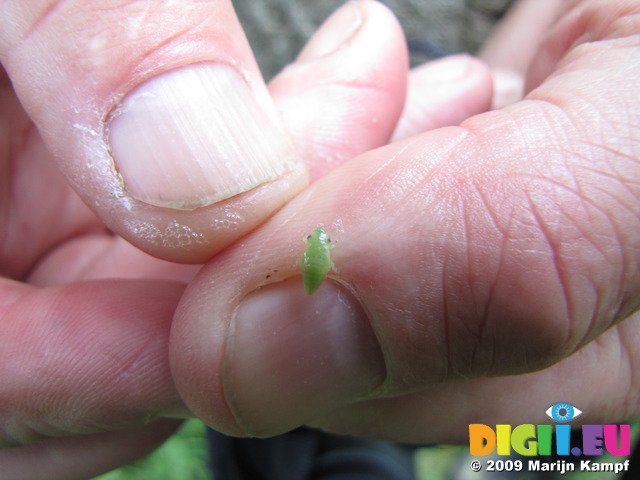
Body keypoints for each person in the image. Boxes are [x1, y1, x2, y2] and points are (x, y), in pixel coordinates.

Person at [1, 0, 639, 478]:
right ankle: (513, 75)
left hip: (308, 406)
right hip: (341, 399)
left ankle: (511, 76)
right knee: (487, 91)